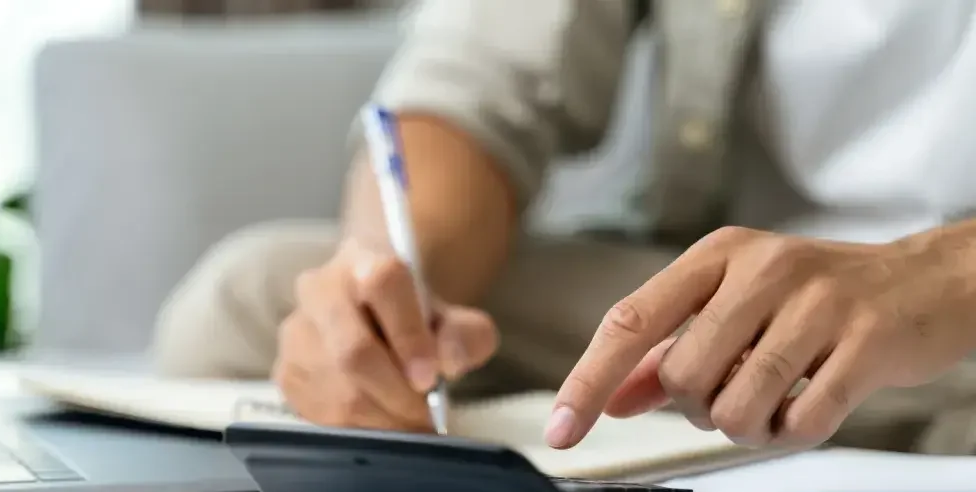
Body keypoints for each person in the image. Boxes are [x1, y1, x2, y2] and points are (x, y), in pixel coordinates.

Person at [152, 0, 976, 453]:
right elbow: (477, 82)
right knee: (248, 299)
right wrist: (394, 289)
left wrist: (936, 275)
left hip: (957, 320)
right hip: (723, 332)